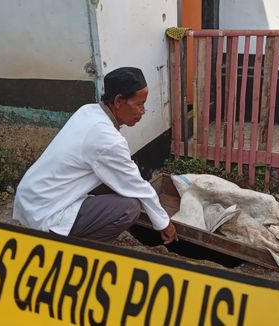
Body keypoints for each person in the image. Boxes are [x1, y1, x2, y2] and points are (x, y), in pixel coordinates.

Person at [13, 67, 178, 244]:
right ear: (119, 101)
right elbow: (136, 185)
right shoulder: (106, 138)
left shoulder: (89, 111)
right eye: (139, 104)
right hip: (46, 210)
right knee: (129, 208)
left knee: (118, 185)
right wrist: (164, 222)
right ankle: (86, 251)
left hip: (32, 196)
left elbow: (127, 179)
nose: (143, 111)